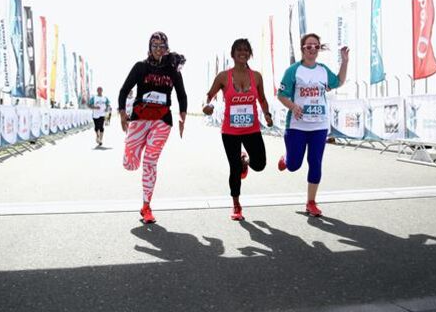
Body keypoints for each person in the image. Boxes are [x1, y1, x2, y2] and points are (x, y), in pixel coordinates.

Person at [118, 31, 187, 224]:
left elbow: (182, 95)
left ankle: (146, 206)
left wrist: (183, 116)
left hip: (162, 120)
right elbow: (124, 90)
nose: (158, 49)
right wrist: (122, 112)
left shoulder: (173, 70)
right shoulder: (141, 67)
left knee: (150, 162)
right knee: (130, 164)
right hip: (140, 118)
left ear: (167, 48)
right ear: (150, 47)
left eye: (162, 46)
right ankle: (132, 149)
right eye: (155, 46)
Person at [277, 33, 349, 217]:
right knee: (294, 165)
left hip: (319, 125)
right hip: (297, 125)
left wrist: (345, 61)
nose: (312, 50)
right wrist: (293, 106)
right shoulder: (293, 70)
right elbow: (282, 95)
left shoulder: (323, 70)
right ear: (302, 49)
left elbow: (339, 82)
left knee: (315, 163)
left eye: (316, 46)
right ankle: (286, 159)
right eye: (308, 46)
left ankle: (311, 202)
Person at [203, 38, 273, 221]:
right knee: (234, 168)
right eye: (239, 50)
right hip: (230, 131)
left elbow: (263, 99)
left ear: (250, 53)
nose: (242, 52)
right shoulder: (223, 76)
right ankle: (236, 205)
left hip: (252, 129)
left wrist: (267, 114)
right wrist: (206, 106)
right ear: (233, 54)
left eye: (246, 49)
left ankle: (246, 161)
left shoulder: (256, 76)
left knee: (260, 164)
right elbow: (209, 96)